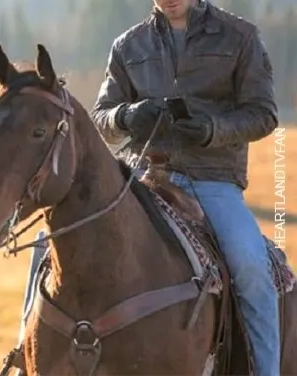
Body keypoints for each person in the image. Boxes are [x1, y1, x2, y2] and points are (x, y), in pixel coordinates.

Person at [90, 1, 279, 375]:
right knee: (52, 248)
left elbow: (264, 114)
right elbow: (101, 118)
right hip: (140, 178)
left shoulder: (240, 36)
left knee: (251, 267)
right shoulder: (129, 45)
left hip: (212, 180)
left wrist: (212, 129)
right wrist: (126, 116)